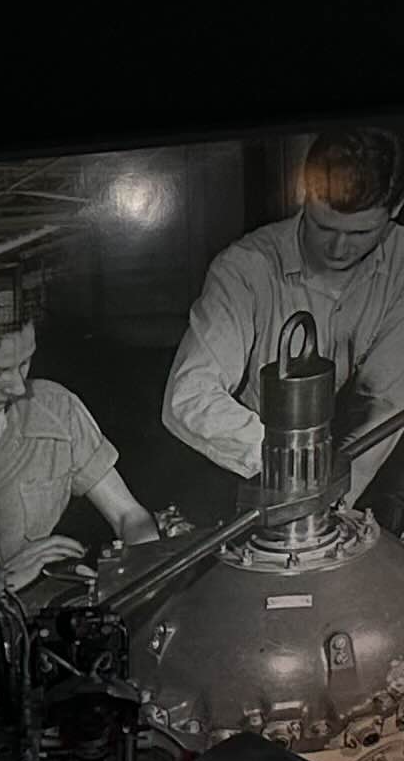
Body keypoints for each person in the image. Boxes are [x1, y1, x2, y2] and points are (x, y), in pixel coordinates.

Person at [162, 125, 404, 507]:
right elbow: (189, 396)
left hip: (343, 471)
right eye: (323, 226)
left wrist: (334, 504)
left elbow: (382, 406)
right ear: (304, 193)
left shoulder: (401, 264)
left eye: (361, 233)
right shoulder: (244, 268)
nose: (338, 248)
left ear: (396, 210)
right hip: (243, 473)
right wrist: (291, 463)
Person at [0, 322, 159, 579]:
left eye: (24, 363)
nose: (19, 388)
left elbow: (129, 516)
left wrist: (141, 573)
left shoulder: (57, 408)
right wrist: (1, 580)